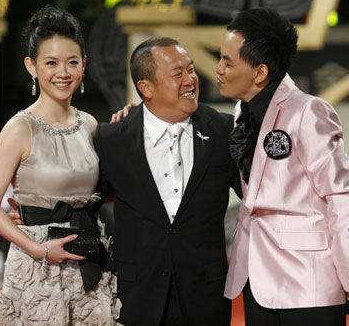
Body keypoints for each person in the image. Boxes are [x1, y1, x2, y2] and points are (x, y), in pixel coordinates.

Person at [218, 8, 349, 325]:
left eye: (227, 61)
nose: (218, 69)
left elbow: (342, 197)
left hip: (308, 282)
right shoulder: (240, 112)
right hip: (256, 278)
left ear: (259, 72)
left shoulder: (309, 112)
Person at [0, 6, 120, 325]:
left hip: (88, 261)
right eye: (51, 63)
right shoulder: (19, 128)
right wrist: (40, 250)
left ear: (84, 63)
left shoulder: (90, 124)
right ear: (32, 66)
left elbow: (99, 194)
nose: (63, 72)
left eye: (72, 62)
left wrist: (126, 130)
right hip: (37, 266)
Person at [94, 37, 241, 326]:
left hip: (206, 296)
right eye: (178, 74)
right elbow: (88, 202)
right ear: (145, 88)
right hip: (137, 297)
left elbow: (259, 195)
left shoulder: (224, 131)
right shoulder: (112, 139)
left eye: (191, 70)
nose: (190, 80)